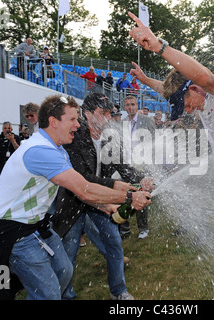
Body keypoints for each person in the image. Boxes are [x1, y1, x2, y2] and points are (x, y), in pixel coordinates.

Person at [127, 11, 214, 300]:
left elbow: (200, 75)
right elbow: (169, 89)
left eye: (188, 103)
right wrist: (144, 80)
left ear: (195, 88)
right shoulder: (197, 99)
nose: (188, 110)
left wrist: (159, 47)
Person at [0, 94, 151, 300]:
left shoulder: (57, 149)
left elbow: (79, 190)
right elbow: (84, 188)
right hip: (12, 231)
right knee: (48, 292)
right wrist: (128, 197)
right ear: (53, 122)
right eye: (73, 120)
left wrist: (104, 206)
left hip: (35, 225)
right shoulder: (41, 151)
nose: (77, 124)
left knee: (64, 270)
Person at [52, 92, 154, 300]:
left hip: (102, 201)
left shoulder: (110, 138)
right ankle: (66, 296)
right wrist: (118, 190)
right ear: (87, 114)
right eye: (103, 113)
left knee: (114, 244)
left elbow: (123, 167)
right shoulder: (73, 138)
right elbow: (82, 178)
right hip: (73, 202)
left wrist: (142, 178)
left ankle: (119, 292)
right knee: (68, 255)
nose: (108, 118)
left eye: (110, 113)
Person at [119, 94, 155, 239]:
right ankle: (124, 226)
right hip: (126, 165)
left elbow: (153, 143)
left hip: (143, 164)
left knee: (141, 193)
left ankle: (143, 228)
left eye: (133, 104)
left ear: (137, 105)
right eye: (128, 105)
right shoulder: (121, 123)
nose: (130, 107)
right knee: (124, 194)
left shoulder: (147, 121)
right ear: (124, 107)